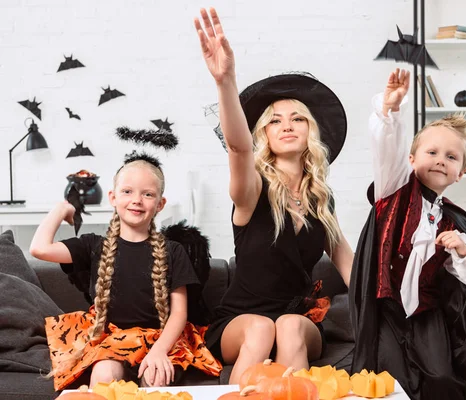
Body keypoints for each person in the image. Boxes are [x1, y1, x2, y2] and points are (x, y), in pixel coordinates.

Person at [193, 7, 354, 384]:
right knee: (264, 329)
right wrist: (225, 81)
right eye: (274, 120)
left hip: (297, 318)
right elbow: (238, 149)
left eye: (297, 118)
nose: (286, 125)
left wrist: (392, 301)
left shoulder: (321, 199)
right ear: (262, 134)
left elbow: (350, 264)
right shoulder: (252, 191)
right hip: (241, 321)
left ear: (310, 131)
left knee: (289, 326)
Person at [349, 69, 466, 400]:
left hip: (428, 314)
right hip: (387, 310)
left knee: (441, 378)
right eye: (432, 152)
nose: (440, 161)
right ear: (411, 160)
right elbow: (386, 148)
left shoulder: (453, 222)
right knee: (385, 379)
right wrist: (391, 111)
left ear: (460, 173)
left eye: (451, 157)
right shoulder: (394, 189)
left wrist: (464, 252)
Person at [29, 154, 222, 391]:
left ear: (160, 204)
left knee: (156, 376)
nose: (137, 200)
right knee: (103, 371)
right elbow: (39, 248)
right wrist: (62, 209)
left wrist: (160, 351)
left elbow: (179, 313)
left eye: (148, 194)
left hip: (160, 341)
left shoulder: (173, 251)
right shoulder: (93, 246)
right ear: (113, 197)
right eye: (127, 191)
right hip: (111, 340)